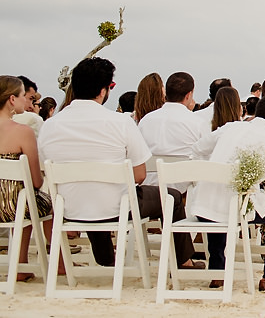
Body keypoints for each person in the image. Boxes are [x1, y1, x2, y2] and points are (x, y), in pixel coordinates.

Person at [37, 58, 198, 270]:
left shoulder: (50, 126)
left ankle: (106, 259)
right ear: (103, 91)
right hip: (116, 208)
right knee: (172, 197)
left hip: (69, 208)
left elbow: (42, 171)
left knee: (92, 195)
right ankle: (184, 261)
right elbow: (140, 175)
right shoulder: (120, 122)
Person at [189, 94, 265, 292]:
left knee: (223, 200)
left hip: (202, 206)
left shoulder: (231, 127)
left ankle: (217, 272)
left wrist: (212, 171)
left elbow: (197, 149)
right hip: (235, 211)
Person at [0, 75, 53, 281]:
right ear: (12, 99)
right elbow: (36, 182)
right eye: (24, 96)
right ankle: (58, 263)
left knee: (25, 202)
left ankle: (21, 264)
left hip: (11, 205)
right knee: (40, 203)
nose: (27, 102)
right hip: (13, 207)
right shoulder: (23, 132)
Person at [137, 71, 206, 187]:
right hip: (183, 194)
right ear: (188, 95)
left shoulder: (145, 121)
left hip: (148, 192)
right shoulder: (198, 123)